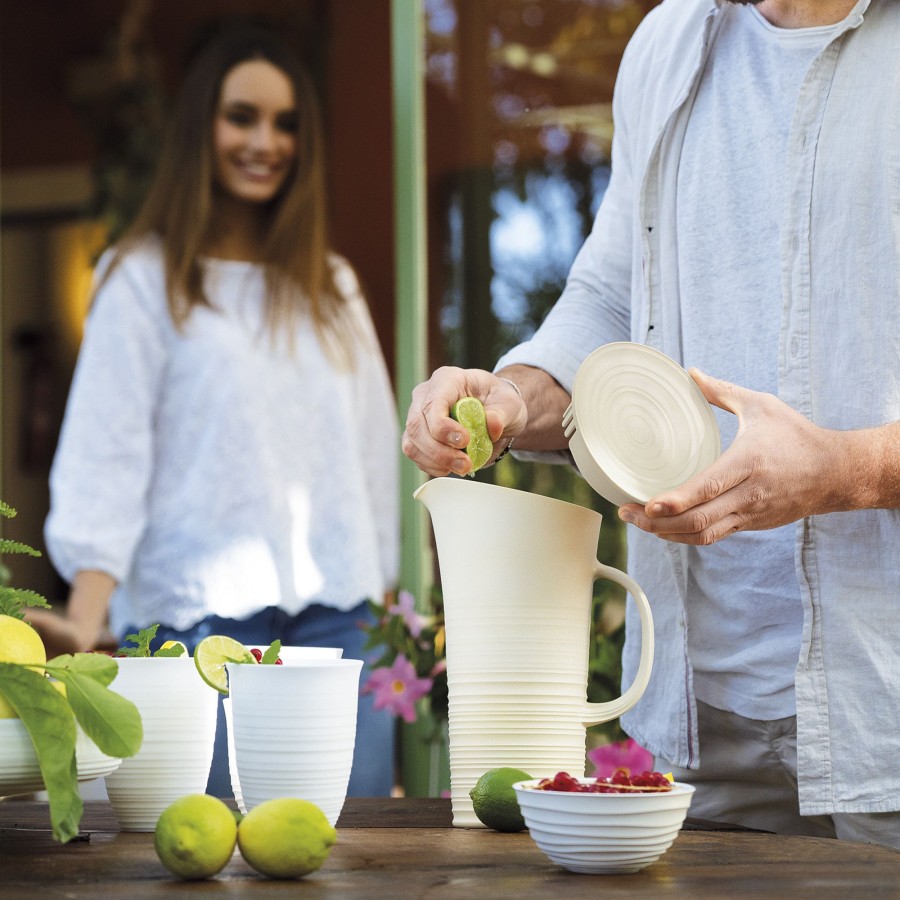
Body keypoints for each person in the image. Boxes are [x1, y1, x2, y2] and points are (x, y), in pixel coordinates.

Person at [403, 0, 900, 847]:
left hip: (882, 705)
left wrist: (848, 469)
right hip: (706, 714)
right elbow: (610, 296)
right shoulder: (669, 44)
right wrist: (517, 397)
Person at [29, 20, 400, 798]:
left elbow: (372, 457)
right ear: (203, 125)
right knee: (206, 860)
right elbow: (108, 455)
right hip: (191, 626)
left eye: (286, 123)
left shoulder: (330, 286)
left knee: (357, 858)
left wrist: (393, 610)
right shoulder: (140, 279)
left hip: (340, 627)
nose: (266, 141)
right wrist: (85, 614)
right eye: (243, 116)